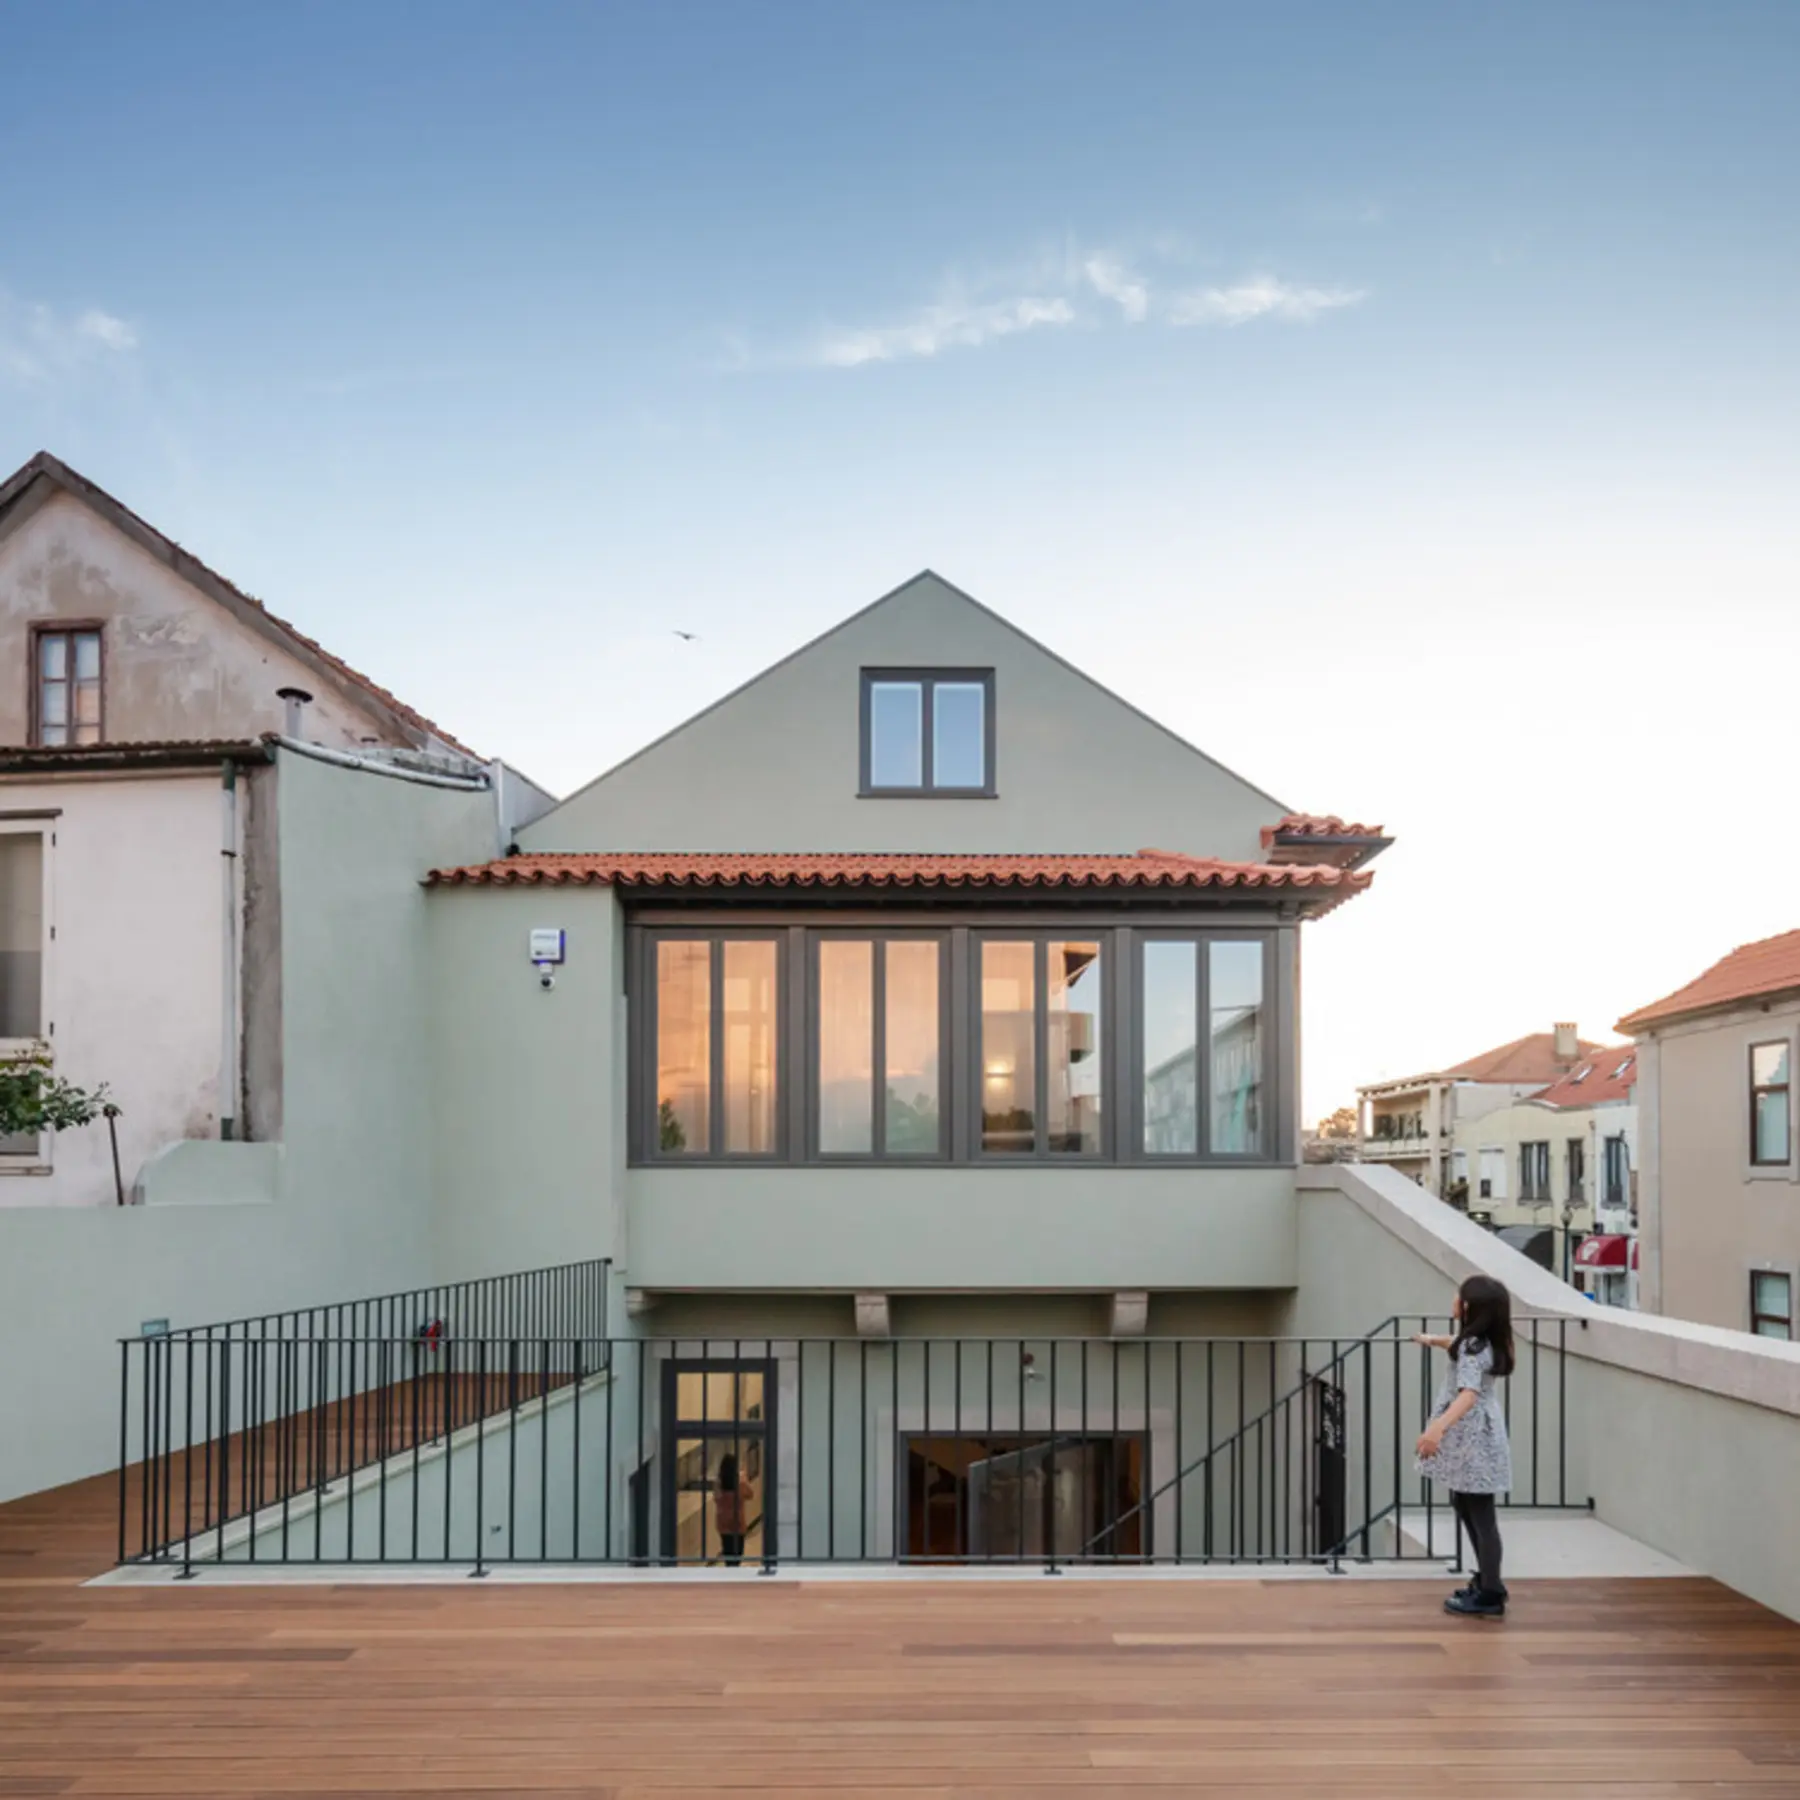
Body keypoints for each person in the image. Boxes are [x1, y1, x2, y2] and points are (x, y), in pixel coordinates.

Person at [1413, 1274, 1515, 1618]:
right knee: (1466, 1503)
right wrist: (1430, 1340)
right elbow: (1453, 1343)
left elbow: (1468, 1394)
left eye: (1460, 1296)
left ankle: (1491, 1592)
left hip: (1474, 1438)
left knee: (1480, 1512)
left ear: (1469, 1306)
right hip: (1477, 1435)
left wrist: (1436, 1429)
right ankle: (1487, 1580)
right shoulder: (1478, 1342)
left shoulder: (1473, 1349)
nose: (1454, 1299)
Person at [714, 1452, 754, 1566]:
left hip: (723, 1524)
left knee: (728, 1552)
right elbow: (750, 1494)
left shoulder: (719, 1484)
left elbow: (716, 1499)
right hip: (737, 1524)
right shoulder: (740, 1484)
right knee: (737, 1555)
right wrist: (744, 1478)